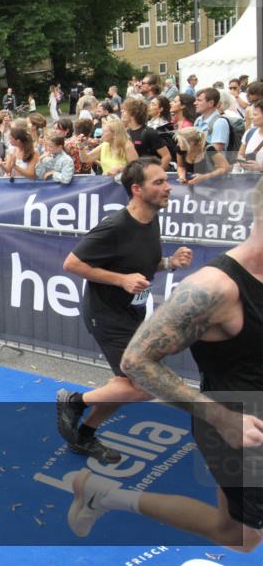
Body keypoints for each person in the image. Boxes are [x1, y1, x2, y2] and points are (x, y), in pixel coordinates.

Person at [68, 177, 263, 552]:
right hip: (239, 425)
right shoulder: (216, 288)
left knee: (236, 534)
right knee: (241, 535)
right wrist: (222, 419)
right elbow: (136, 361)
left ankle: (102, 496)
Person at [56, 158, 193, 463]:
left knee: (124, 384)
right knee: (143, 386)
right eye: (158, 182)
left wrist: (170, 263)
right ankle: (73, 401)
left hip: (132, 315)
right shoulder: (115, 226)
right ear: (137, 189)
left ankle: (84, 435)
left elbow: (140, 265)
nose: (167, 187)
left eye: (166, 180)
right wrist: (121, 280)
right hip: (106, 316)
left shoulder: (151, 218)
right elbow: (72, 264)